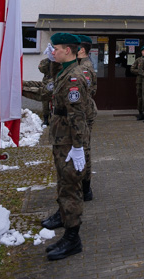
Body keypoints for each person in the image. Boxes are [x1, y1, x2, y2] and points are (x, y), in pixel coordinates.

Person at [40, 32, 88, 261]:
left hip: (69, 141)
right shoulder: (63, 72)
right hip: (61, 138)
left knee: (71, 187)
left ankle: (72, 238)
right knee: (63, 182)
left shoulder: (74, 78)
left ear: (67, 50)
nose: (53, 52)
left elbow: (77, 115)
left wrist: (78, 147)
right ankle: (65, 220)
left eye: (56, 48)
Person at [75, 35, 97, 201]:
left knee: (84, 150)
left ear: (81, 50)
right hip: (83, 112)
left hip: (83, 113)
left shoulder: (84, 67)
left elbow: (85, 93)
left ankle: (86, 187)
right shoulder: (80, 64)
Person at [131, 45, 144, 121]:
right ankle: (140, 113)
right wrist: (140, 71)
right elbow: (132, 69)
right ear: (141, 52)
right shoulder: (138, 60)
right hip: (140, 81)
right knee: (140, 97)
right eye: (143, 51)